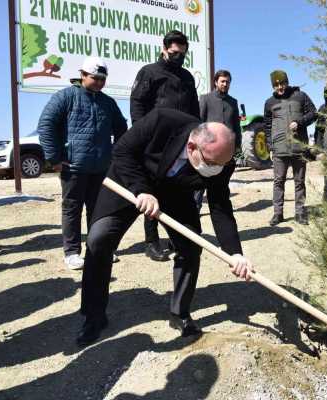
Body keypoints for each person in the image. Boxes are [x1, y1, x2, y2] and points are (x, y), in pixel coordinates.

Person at [77, 109, 253, 347]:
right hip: (128, 181)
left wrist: (235, 253)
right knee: (98, 240)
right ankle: (93, 316)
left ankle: (179, 313)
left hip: (175, 194)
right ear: (192, 147)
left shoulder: (220, 161)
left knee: (190, 249)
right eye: (212, 164)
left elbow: (220, 205)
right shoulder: (163, 121)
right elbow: (122, 151)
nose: (217, 170)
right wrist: (142, 190)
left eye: (222, 164)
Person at [38, 56, 127, 270]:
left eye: (102, 79)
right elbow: (46, 125)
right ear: (82, 75)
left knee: (98, 210)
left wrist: (113, 155)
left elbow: (121, 130)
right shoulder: (65, 97)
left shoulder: (108, 102)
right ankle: (71, 252)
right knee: (72, 209)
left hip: (101, 168)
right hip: (73, 167)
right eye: (95, 78)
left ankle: (98, 249)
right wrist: (55, 158)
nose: (99, 82)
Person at [130, 30, 200, 262]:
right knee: (153, 192)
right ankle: (152, 242)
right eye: (174, 53)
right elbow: (138, 105)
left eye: (182, 54)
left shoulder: (187, 78)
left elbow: (194, 111)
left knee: (180, 190)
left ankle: (177, 237)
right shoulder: (149, 73)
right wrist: (142, 136)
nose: (178, 57)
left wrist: (197, 136)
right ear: (164, 48)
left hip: (182, 145)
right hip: (155, 143)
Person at [264, 70, 317, 225]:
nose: (280, 87)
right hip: (279, 149)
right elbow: (267, 126)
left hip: (298, 147)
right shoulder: (269, 102)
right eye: (276, 85)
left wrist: (299, 122)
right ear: (273, 85)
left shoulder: (300, 96)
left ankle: (300, 213)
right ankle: (277, 214)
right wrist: (269, 145)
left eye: (282, 83)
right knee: (278, 181)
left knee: (299, 181)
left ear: (287, 82)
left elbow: (314, 113)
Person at [195, 69, 242, 211]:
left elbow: (236, 126)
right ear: (216, 82)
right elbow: (199, 123)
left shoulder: (233, 102)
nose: (225, 84)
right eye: (222, 81)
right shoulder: (205, 99)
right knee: (201, 185)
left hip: (226, 153)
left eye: (228, 82)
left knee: (221, 185)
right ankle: (195, 212)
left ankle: (221, 210)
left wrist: (237, 145)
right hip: (207, 152)